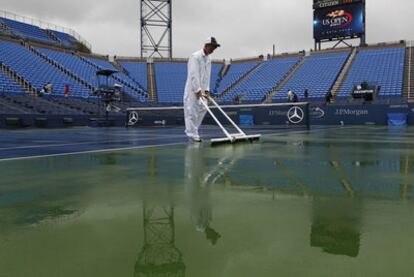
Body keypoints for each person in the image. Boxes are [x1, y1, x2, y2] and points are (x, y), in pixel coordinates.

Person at [184, 37, 220, 142]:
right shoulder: (195, 57)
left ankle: (194, 131)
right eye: (212, 47)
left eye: (215, 47)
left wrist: (207, 89)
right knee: (192, 111)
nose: (213, 49)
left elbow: (207, 75)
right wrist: (197, 90)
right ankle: (192, 133)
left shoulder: (208, 59)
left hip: (203, 89)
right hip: (193, 89)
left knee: (203, 109)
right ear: (206, 45)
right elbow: (193, 74)